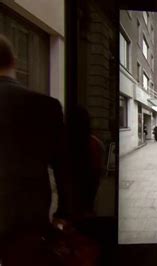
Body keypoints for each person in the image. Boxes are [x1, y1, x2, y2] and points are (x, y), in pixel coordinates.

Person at [0, 34, 71, 263]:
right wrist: (63, 215)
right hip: (26, 223)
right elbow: (64, 168)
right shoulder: (45, 106)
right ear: (15, 61)